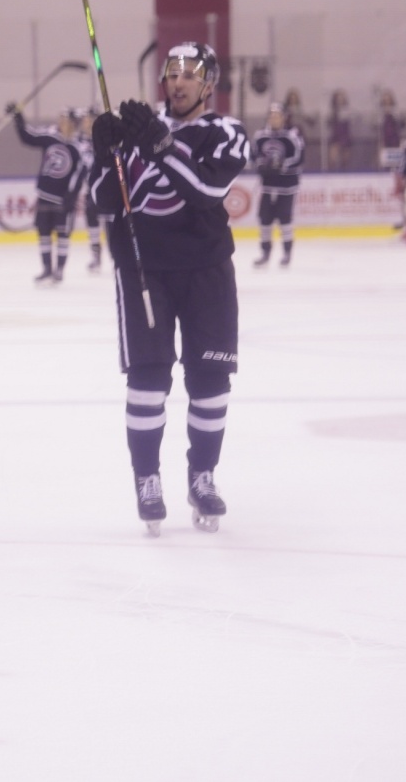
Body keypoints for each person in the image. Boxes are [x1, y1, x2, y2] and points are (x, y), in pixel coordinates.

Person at [87, 42, 249, 536]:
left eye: (189, 74)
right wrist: (104, 155)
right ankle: (147, 480)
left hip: (206, 272)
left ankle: (202, 477)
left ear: (208, 84)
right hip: (144, 271)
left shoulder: (225, 133)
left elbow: (204, 192)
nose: (177, 82)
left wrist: (162, 146)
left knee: (210, 381)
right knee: (148, 379)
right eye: (172, 73)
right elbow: (104, 202)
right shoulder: (137, 131)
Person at [11, 104, 84, 284]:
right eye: (61, 119)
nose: (61, 122)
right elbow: (27, 137)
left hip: (63, 200)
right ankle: (46, 269)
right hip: (45, 196)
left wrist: (72, 196)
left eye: (65, 120)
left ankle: (59, 270)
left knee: (62, 235)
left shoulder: (79, 148)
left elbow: (80, 174)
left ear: (73, 123)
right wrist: (18, 118)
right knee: (43, 233)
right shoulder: (50, 137)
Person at [251, 102, 306, 268]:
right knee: (265, 219)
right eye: (271, 115)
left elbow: (299, 158)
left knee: (285, 219)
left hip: (287, 187)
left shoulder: (292, 136)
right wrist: (262, 165)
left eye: (277, 116)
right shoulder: (260, 136)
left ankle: (287, 253)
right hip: (268, 186)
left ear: (284, 118)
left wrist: (281, 165)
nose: (274, 118)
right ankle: (265, 253)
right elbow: (253, 155)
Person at [75, 109, 104, 272]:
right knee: (91, 219)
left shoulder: (103, 138)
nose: (86, 123)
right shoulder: (79, 141)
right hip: (89, 188)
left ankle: (117, 253)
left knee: (111, 222)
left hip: (105, 186)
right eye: (85, 120)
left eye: (89, 120)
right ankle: (96, 254)